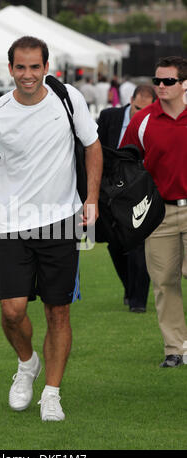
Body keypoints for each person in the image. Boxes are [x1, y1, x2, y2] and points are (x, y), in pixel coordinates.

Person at [0, 36, 103, 419]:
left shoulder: (68, 97)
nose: (27, 75)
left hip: (62, 222)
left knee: (59, 313)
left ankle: (52, 393)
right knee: (12, 310)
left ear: (46, 67)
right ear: (10, 69)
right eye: (20, 67)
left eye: (34, 67)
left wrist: (91, 198)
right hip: (12, 226)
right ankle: (27, 364)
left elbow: (92, 145)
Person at [121, 56, 187, 367]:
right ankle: (175, 349)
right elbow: (125, 161)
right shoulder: (143, 120)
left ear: (184, 83)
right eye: (157, 81)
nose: (160, 86)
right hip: (158, 214)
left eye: (168, 81)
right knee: (164, 282)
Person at [97, 85, 156, 313]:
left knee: (138, 244)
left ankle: (138, 301)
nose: (141, 113)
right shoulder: (109, 117)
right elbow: (96, 149)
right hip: (111, 192)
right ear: (130, 101)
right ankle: (129, 289)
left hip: (140, 190)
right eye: (137, 108)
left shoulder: (154, 124)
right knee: (115, 244)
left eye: (146, 109)